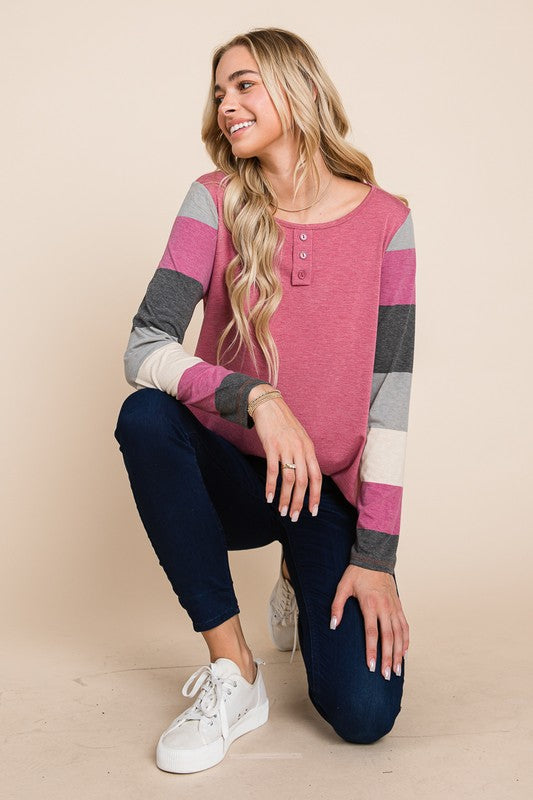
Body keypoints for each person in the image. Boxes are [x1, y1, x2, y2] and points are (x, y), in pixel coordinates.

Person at [113, 26, 416, 774]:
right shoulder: (213, 200)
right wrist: (256, 397)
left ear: (301, 88)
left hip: (322, 492)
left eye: (244, 84)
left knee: (364, 715)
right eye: (219, 91)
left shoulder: (387, 221)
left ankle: (296, 577)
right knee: (145, 418)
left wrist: (376, 555)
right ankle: (234, 669)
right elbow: (145, 345)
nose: (226, 104)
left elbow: (390, 396)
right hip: (231, 476)